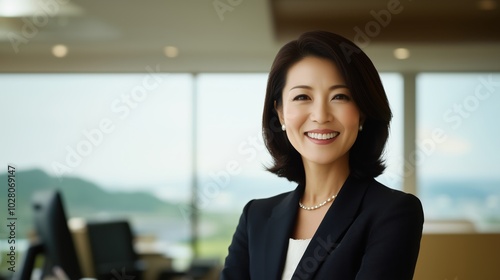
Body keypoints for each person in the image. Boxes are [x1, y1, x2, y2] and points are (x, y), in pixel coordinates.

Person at [220, 30, 424, 280]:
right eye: (302, 96)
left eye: (340, 96)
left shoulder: (393, 212)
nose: (320, 115)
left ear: (362, 111)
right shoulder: (256, 216)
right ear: (281, 113)